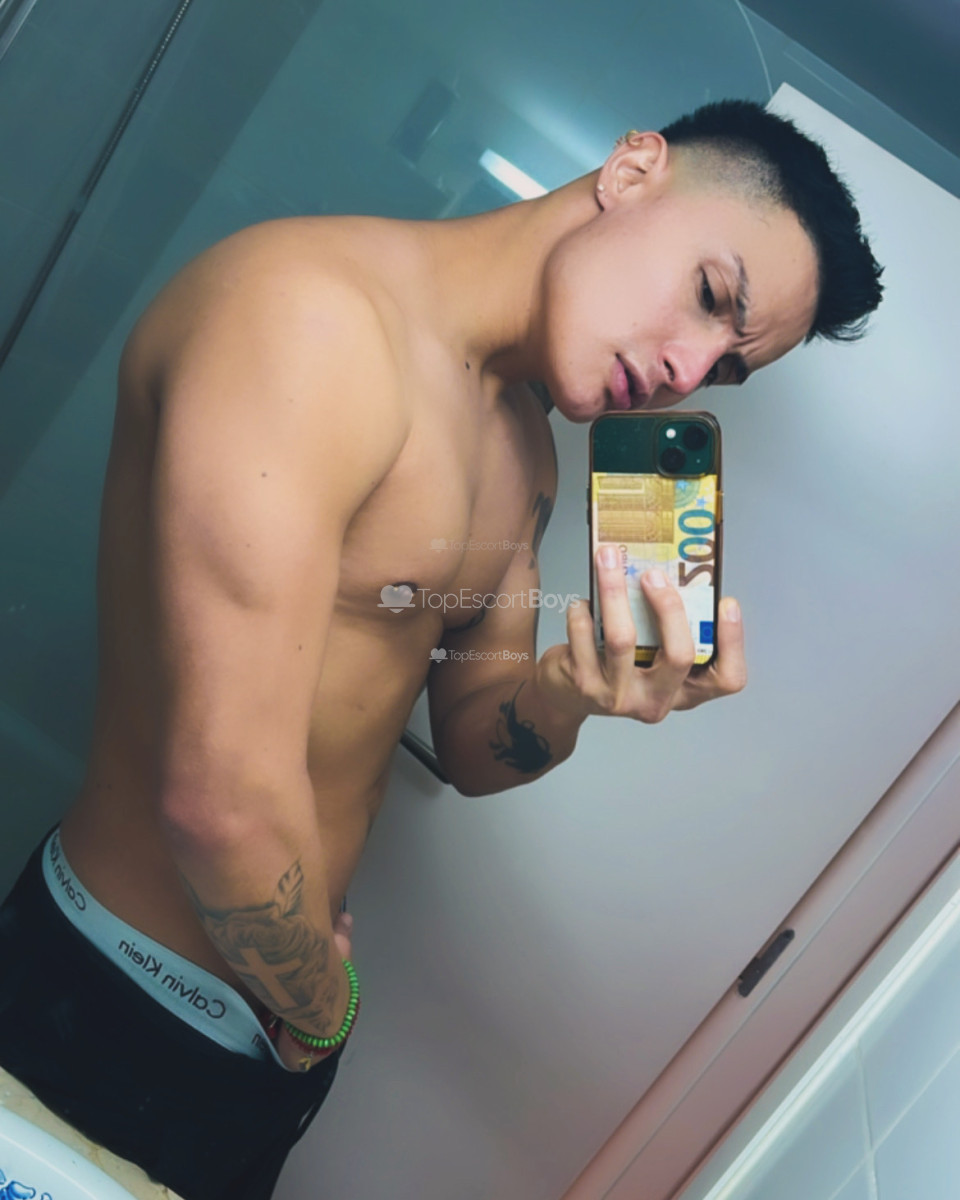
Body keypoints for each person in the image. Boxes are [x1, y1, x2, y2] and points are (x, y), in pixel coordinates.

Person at [0, 99, 883, 1200]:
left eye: (727, 367)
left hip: (266, 1044)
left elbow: (471, 741)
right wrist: (325, 1013)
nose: (688, 367)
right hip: (106, 1001)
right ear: (632, 171)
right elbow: (216, 801)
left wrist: (574, 690)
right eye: (711, 297)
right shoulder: (311, 321)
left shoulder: (524, 452)